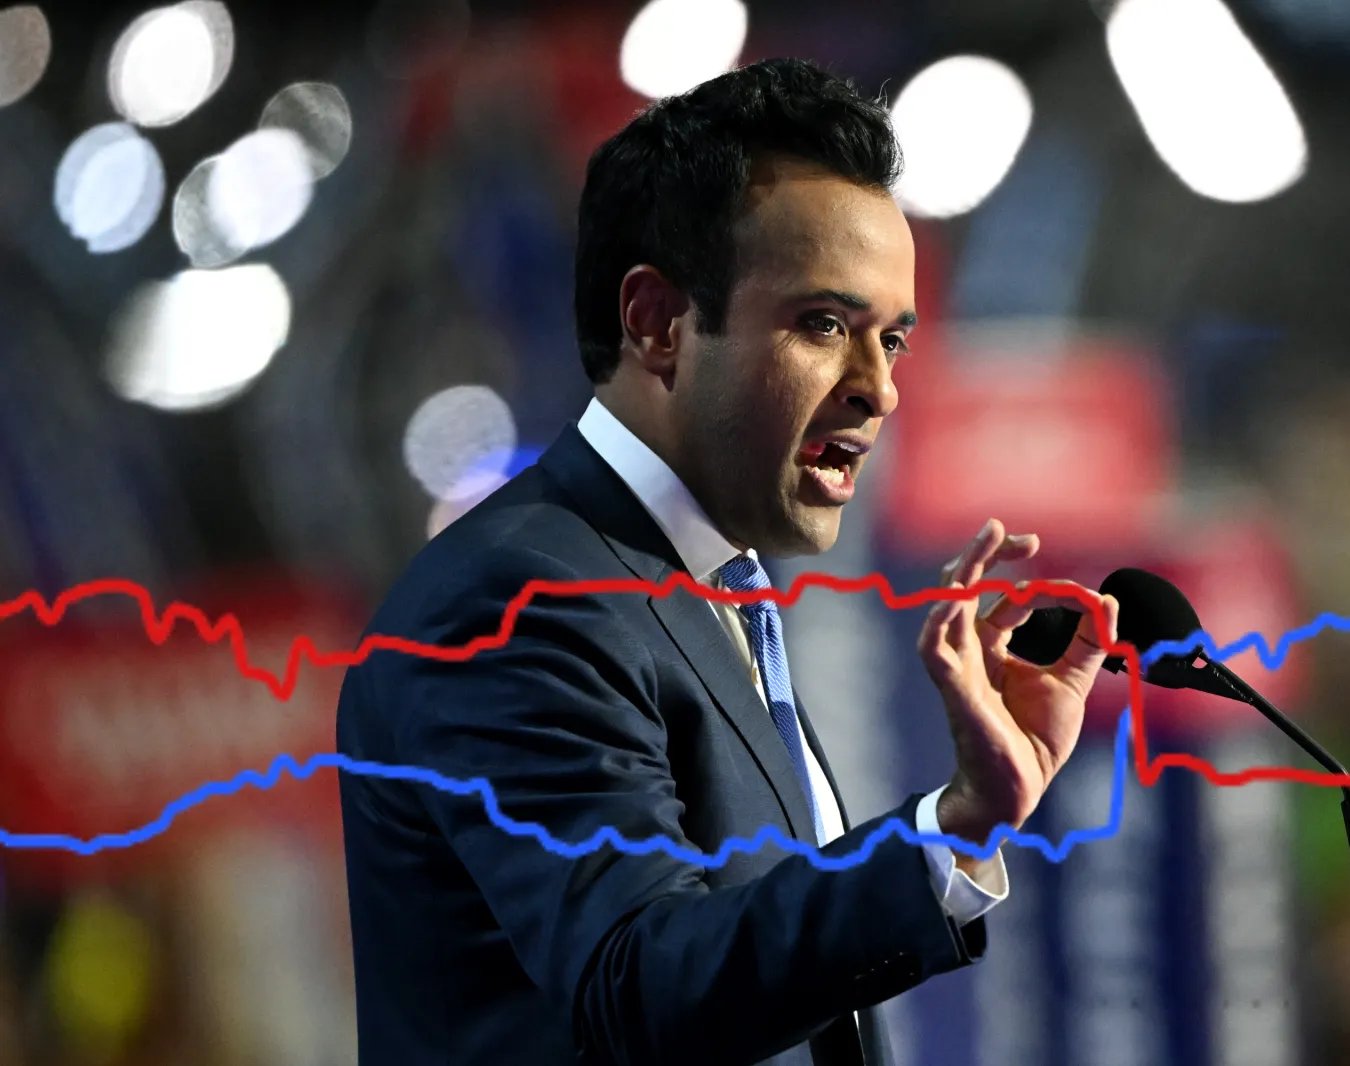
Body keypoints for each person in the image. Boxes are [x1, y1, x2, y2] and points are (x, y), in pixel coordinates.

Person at [336, 57, 1119, 1066]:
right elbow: (638, 985)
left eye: (895, 339)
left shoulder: (707, 589)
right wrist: (948, 824)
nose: (877, 389)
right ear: (658, 322)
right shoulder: (522, 600)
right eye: (825, 325)